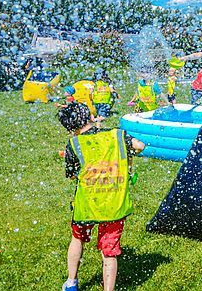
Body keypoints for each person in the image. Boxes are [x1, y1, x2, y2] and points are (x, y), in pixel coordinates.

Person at [58, 102, 146, 291]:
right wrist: (128, 158)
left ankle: (71, 283)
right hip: (114, 204)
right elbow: (140, 145)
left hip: (86, 205)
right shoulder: (117, 135)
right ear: (90, 117)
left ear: (70, 128)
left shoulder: (74, 144)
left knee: (77, 239)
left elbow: (72, 175)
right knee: (109, 251)